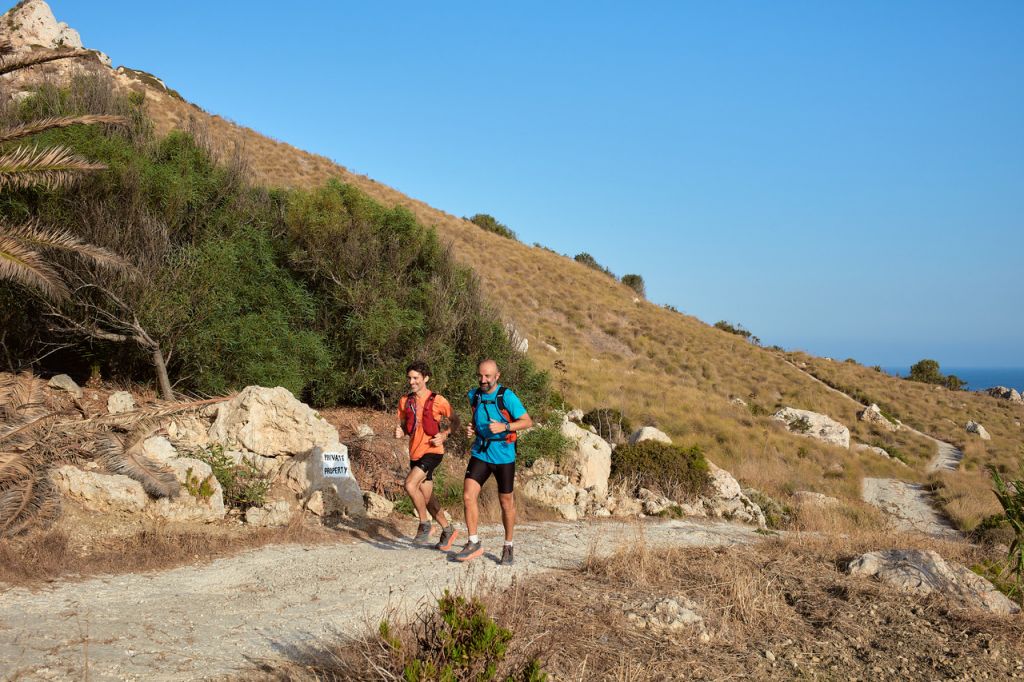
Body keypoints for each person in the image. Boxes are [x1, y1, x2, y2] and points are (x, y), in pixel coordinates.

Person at [454, 359, 533, 565]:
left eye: (488, 376)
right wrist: (471, 428)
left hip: (504, 456)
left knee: (506, 502)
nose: (483, 380)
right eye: (480, 375)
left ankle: (508, 545)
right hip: (481, 451)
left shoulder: (506, 396)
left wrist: (505, 427)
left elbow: (527, 421)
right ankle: (473, 542)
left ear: (497, 376)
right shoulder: (474, 395)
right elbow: (477, 418)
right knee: (468, 495)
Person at [394, 361, 459, 549]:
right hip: (415, 453)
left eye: (416, 378)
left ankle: (424, 523)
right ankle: (448, 529)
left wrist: (444, 435)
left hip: (433, 451)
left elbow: (455, 421)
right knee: (427, 497)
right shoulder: (405, 401)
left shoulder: (438, 400)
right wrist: (400, 432)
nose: (412, 382)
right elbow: (407, 426)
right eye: (409, 378)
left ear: (426, 378)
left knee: (410, 484)